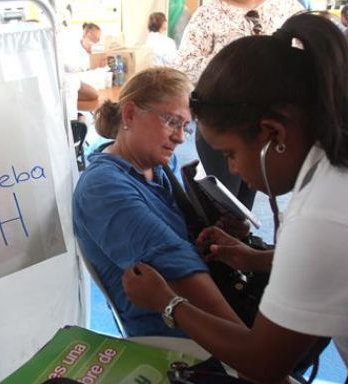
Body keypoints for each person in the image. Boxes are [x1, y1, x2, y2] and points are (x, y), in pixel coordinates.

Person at [123, 13, 348, 384]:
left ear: (274, 133)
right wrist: (259, 258)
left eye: (231, 153)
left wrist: (168, 302)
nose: (235, 168)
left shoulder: (324, 215)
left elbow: (265, 362)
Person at [73, 67, 244, 337]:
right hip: (178, 341)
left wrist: (215, 240)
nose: (181, 137)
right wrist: (248, 346)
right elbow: (178, 265)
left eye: (185, 127)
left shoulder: (158, 167)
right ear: (129, 115)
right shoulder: (103, 188)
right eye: (172, 122)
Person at [175, 0, 303, 210]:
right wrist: (234, 66)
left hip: (271, 129)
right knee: (225, 204)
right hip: (223, 126)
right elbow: (184, 67)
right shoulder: (207, 14)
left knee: (247, 201)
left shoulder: (287, 9)